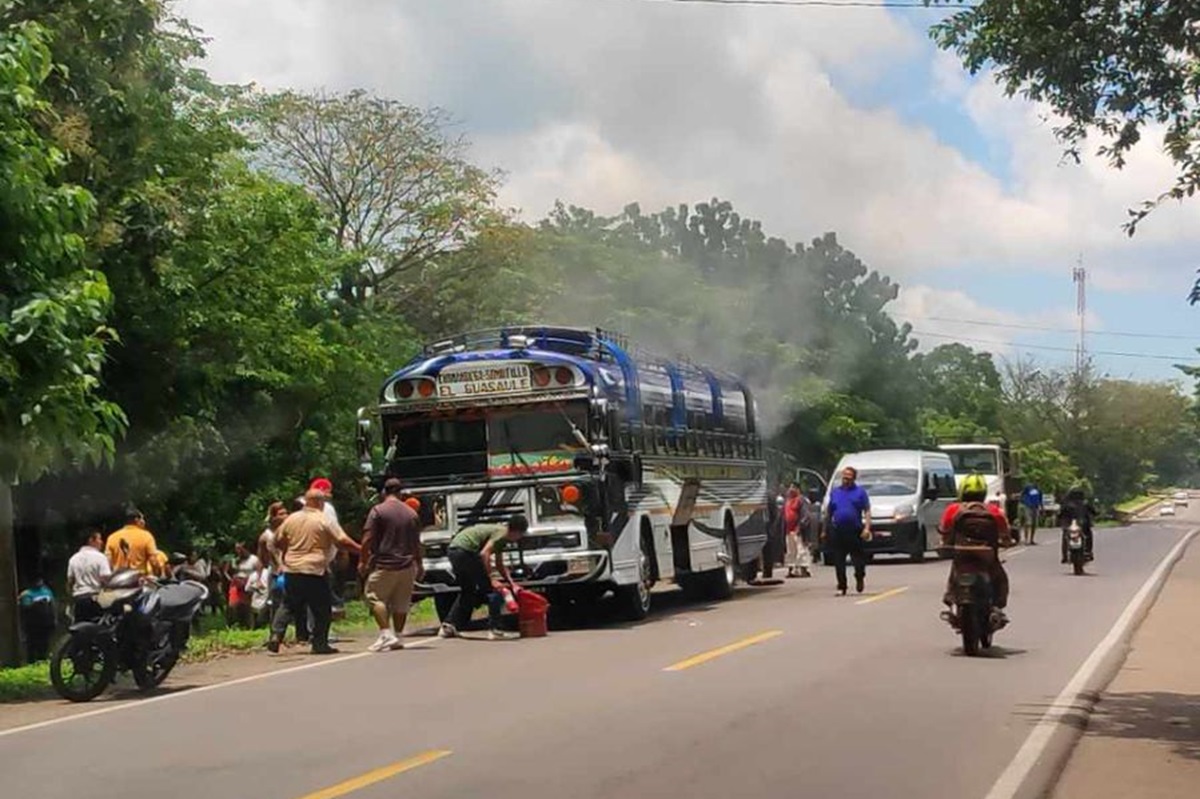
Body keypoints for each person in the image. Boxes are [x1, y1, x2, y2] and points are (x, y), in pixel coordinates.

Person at [267, 489, 362, 654]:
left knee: (288, 604)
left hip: (293, 569)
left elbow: (277, 541)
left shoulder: (291, 519)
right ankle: (319, 643)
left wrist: (287, 553)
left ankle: (276, 635)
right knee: (322, 608)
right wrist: (362, 551)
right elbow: (342, 541)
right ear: (320, 502)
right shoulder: (323, 519)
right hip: (314, 569)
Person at [938, 473, 1013, 626]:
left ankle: (950, 597)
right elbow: (1006, 534)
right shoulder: (994, 511)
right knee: (1001, 579)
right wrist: (1007, 541)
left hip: (961, 554)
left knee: (954, 576)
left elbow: (945, 533)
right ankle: (997, 608)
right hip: (987, 556)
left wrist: (944, 543)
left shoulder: (952, 510)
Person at [359, 478, 424, 652]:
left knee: (374, 597)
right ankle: (399, 636)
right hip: (408, 564)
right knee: (401, 602)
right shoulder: (412, 513)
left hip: (385, 564)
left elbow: (367, 538)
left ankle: (386, 634)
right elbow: (417, 542)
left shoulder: (378, 511)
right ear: (401, 493)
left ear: (384, 492)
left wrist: (363, 560)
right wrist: (420, 564)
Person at [439, 515, 528, 640]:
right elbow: (484, 553)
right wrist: (490, 579)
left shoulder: (500, 534)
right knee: (493, 592)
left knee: (468, 590)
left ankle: (448, 625)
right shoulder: (502, 534)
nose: (518, 539)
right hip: (466, 551)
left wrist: (512, 583)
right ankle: (495, 629)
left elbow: (499, 564)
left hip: (454, 550)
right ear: (517, 532)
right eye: (520, 535)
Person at [822, 467, 872, 595]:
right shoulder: (835, 492)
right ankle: (842, 586)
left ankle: (859, 577)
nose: (846, 479)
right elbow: (829, 513)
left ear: (854, 478)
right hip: (838, 531)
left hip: (855, 530)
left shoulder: (860, 493)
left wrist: (867, 528)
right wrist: (824, 530)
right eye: (844, 476)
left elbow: (867, 511)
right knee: (839, 560)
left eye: (849, 477)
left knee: (859, 560)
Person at [105, 507, 167, 576]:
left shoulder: (112, 537)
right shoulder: (146, 536)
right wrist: (157, 573)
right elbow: (154, 562)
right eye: (142, 518)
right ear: (136, 520)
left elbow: (108, 562)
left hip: (118, 579)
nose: (144, 521)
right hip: (138, 580)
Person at [66, 529, 111, 622]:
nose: (101, 542)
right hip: (95, 599)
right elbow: (106, 579)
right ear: (91, 540)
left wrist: (71, 600)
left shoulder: (73, 559)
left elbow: (70, 582)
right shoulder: (100, 557)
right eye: (99, 539)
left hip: (79, 601)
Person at [17, 577, 56, 661]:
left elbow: (53, 605)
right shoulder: (26, 594)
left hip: (46, 623)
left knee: (44, 644)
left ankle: (43, 660)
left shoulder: (46, 591)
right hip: (32, 625)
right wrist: (37, 603)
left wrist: (54, 619)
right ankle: (31, 661)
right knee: (32, 645)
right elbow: (25, 607)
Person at [226, 542, 262, 629]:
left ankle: (249, 625)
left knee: (247, 606)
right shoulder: (237, 559)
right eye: (236, 549)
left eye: (240, 548)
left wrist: (257, 582)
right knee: (233, 604)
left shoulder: (254, 559)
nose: (238, 551)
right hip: (236, 583)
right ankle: (233, 624)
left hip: (248, 583)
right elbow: (229, 571)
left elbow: (259, 572)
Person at [1058, 485, 1097, 564]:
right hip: (1081, 526)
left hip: (1073, 526)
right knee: (1088, 535)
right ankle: (1088, 551)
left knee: (1065, 537)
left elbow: (1060, 515)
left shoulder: (1067, 504)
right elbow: (1094, 512)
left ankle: (1065, 555)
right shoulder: (1084, 504)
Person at [784, 484, 812, 578]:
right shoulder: (787, 501)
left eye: (793, 488)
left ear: (798, 490)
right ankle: (791, 569)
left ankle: (803, 569)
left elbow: (806, 515)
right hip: (788, 530)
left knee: (801, 550)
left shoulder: (801, 500)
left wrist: (800, 526)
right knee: (790, 551)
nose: (791, 489)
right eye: (790, 487)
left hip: (798, 530)